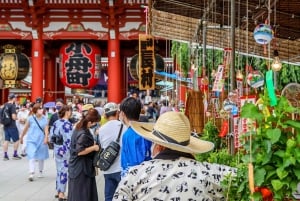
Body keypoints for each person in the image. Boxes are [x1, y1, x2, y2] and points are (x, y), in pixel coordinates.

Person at [113, 111, 237, 200]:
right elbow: (243, 179)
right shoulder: (209, 173)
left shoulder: (135, 175)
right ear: (189, 148)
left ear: (158, 146)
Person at [68, 108, 101, 201]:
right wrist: (94, 147)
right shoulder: (83, 133)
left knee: (78, 192)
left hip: (78, 167)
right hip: (82, 168)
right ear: (90, 122)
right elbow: (80, 151)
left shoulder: (79, 127)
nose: (96, 124)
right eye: (95, 122)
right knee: (82, 193)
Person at [98, 102, 126, 201]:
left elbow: (102, 145)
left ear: (105, 115)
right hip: (121, 167)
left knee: (109, 196)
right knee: (122, 195)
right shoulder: (124, 126)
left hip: (108, 167)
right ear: (117, 113)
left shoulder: (101, 129)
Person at [119, 97, 152, 176]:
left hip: (134, 179)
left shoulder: (129, 134)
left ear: (123, 114)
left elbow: (135, 163)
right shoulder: (145, 130)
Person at [20, 103, 50, 181]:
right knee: (31, 155)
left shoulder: (45, 119)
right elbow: (26, 128)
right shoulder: (30, 118)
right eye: (39, 109)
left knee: (41, 156)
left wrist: (46, 138)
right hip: (31, 140)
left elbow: (46, 130)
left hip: (41, 139)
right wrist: (22, 137)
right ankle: (31, 172)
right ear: (35, 110)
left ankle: (40, 171)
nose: (41, 110)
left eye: (42, 108)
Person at [50, 105, 73, 201]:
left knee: (59, 170)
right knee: (64, 171)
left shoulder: (56, 122)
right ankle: (61, 193)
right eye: (70, 111)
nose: (71, 113)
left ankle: (59, 190)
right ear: (67, 112)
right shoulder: (67, 124)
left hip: (57, 148)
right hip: (65, 150)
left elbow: (51, 136)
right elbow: (69, 139)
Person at [2, 93, 22, 160]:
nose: (15, 99)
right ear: (13, 98)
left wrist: (18, 110)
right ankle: (15, 154)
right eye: (15, 98)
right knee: (16, 140)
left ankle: (5, 155)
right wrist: (18, 118)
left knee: (6, 140)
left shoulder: (4, 105)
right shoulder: (12, 106)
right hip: (12, 125)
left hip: (5, 125)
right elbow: (13, 117)